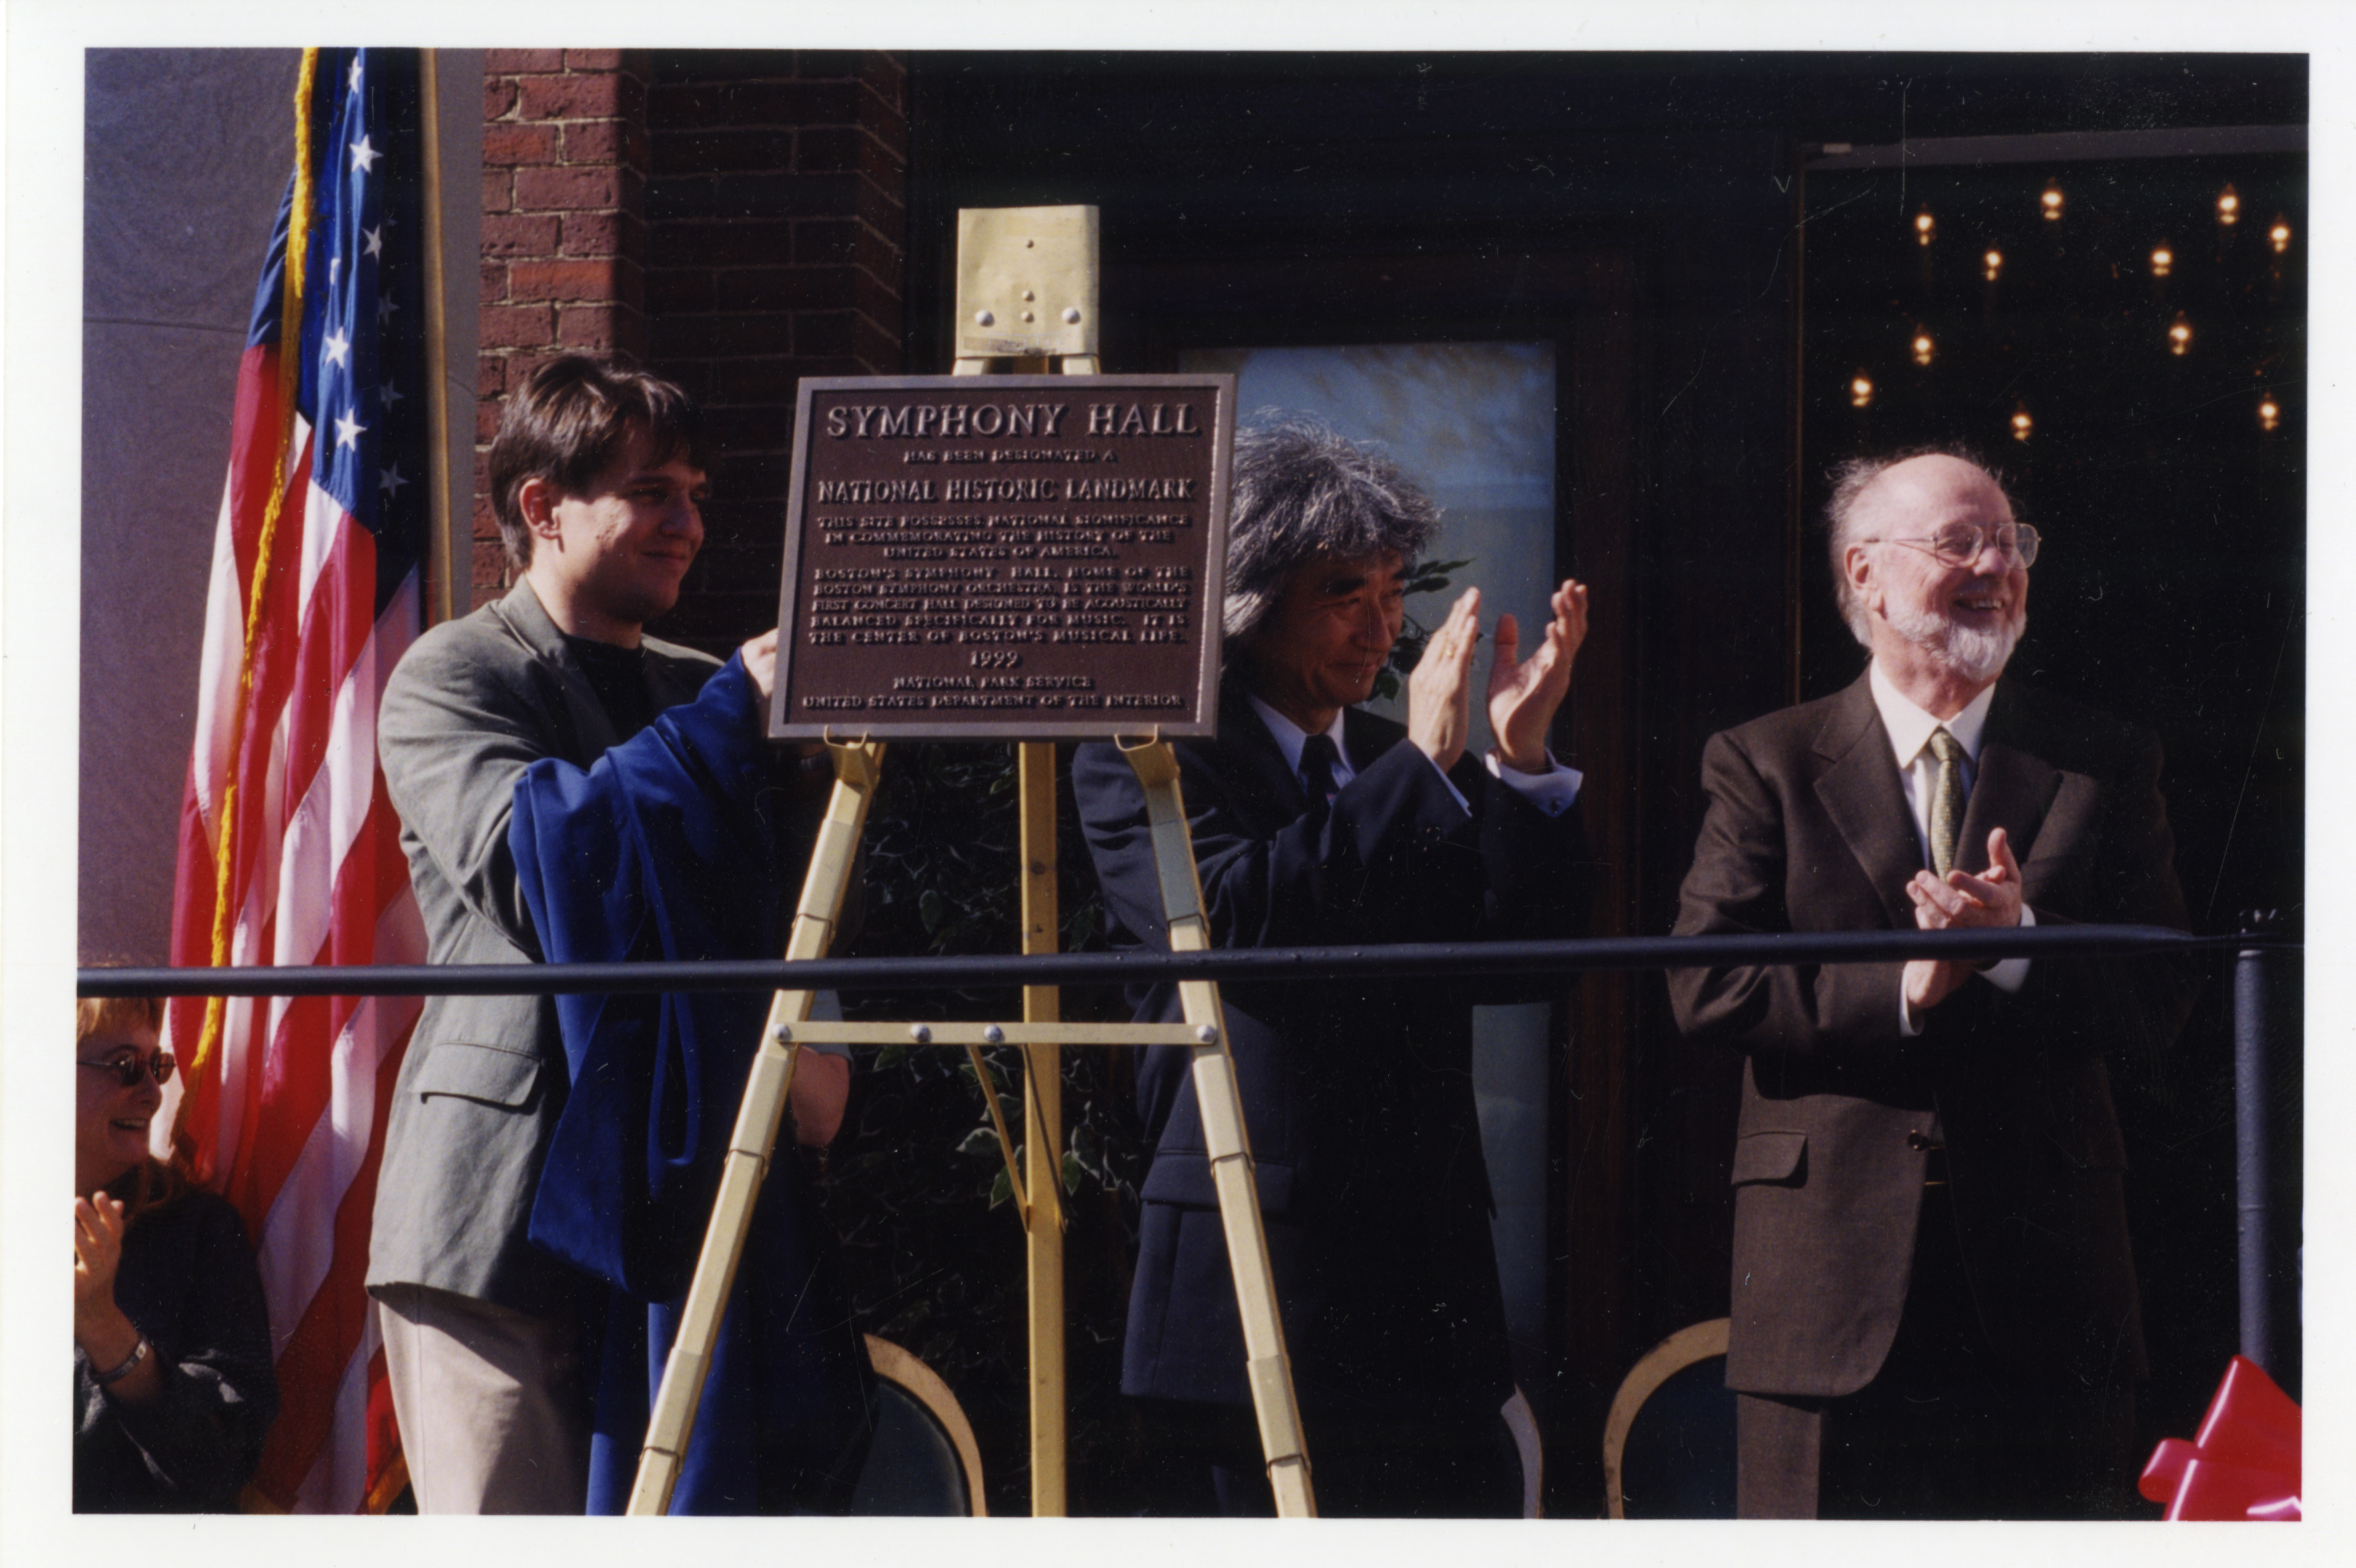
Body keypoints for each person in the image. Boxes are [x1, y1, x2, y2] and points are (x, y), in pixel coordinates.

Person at [368, 353, 866, 1513]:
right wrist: (726, 726)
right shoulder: (454, 672)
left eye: (696, 492)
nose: (689, 524)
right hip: (502, 1224)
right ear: (542, 506)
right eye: (654, 492)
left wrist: (821, 1031)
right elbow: (534, 868)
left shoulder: (703, 690)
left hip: (687, 1220)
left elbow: (790, 902)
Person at [1074, 416, 1594, 1517]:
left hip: (1429, 1292)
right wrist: (1419, 764)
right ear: (1250, 601)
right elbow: (1231, 918)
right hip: (1254, 1292)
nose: (1383, 626)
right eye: (1344, 590)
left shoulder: (1391, 761)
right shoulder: (1149, 751)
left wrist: (1523, 760)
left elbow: (1525, 960)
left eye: (1393, 588)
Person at [1667, 448, 2197, 1519]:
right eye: (1959, 541)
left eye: (2010, 542)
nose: (1995, 563)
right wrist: (1908, 986)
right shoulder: (1764, 760)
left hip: (2048, 1292)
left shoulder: (2101, 758)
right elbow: (1706, 983)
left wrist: (2013, 944)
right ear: (1863, 572)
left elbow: (2161, 997)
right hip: (1826, 1291)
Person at [74, 994, 277, 1511]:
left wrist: (105, 1330)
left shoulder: (198, 1233)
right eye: (125, 1067)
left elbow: (220, 1466)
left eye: (157, 1068)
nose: (151, 1095)